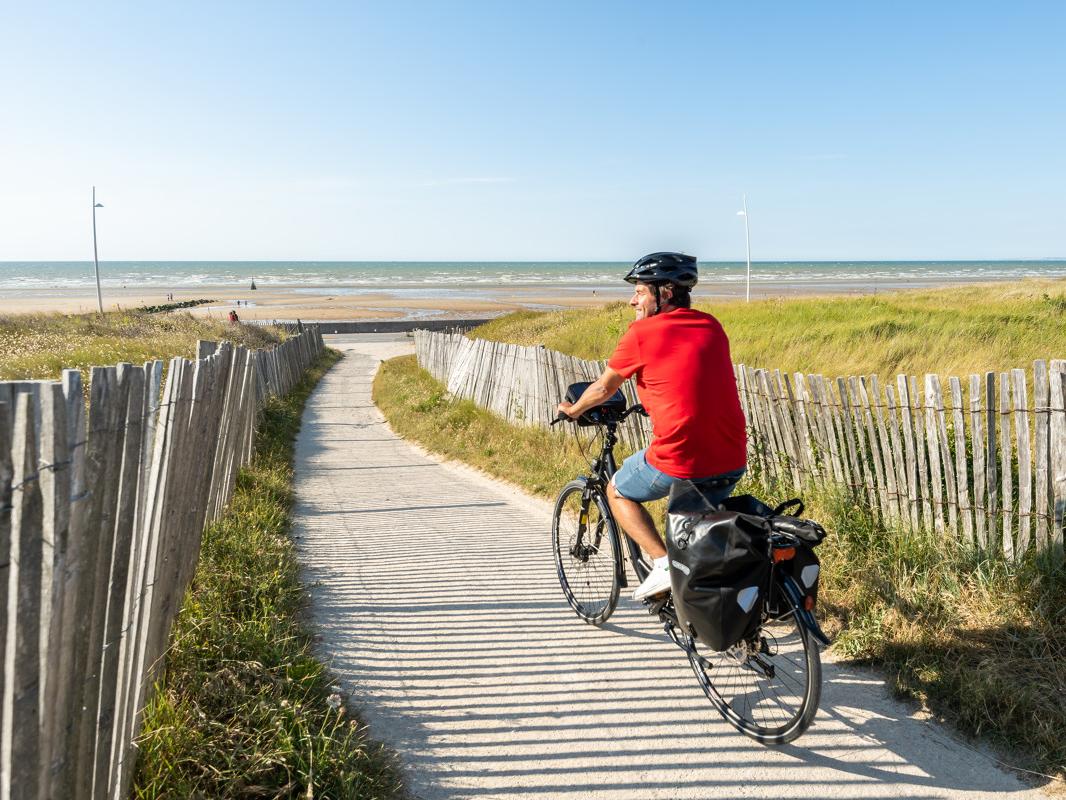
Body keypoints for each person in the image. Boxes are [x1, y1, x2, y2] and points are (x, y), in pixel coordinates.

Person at [556, 252, 748, 600]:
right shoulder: (712, 327)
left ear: (667, 292)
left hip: (681, 458)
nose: (633, 300)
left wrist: (573, 410)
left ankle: (661, 564)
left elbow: (603, 388)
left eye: (641, 292)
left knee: (617, 489)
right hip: (732, 458)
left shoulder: (642, 334)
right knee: (694, 530)